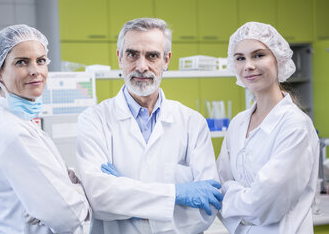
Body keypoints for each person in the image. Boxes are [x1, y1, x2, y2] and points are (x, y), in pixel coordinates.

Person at [76, 17, 223, 234]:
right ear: (119, 58)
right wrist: (175, 194)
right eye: (132, 54)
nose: (141, 66)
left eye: (152, 56)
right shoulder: (94, 120)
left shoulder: (193, 123)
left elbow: (207, 209)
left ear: (166, 60)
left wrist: (125, 194)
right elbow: (100, 200)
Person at [0, 24, 90, 234]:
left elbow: (58, 200)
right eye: (21, 62)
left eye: (41, 60)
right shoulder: (10, 131)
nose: (35, 70)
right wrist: (81, 197)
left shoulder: (20, 122)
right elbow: (67, 216)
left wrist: (68, 189)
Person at [216, 21, 320, 233]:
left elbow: (263, 206)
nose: (248, 66)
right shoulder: (238, 123)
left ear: (278, 59)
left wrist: (230, 191)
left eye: (258, 55)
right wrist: (238, 195)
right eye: (240, 58)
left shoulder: (295, 126)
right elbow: (217, 186)